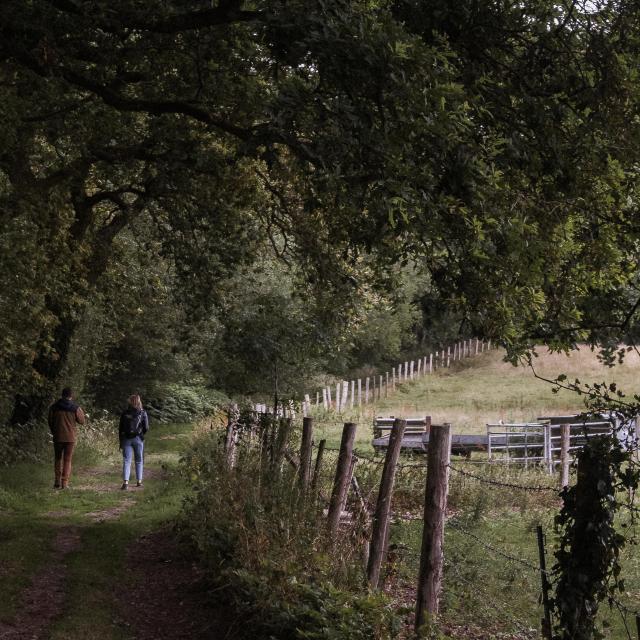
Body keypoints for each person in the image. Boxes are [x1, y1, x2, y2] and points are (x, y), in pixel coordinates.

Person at [48, 387, 86, 489]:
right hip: (70, 437)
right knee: (67, 460)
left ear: (62, 395)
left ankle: (57, 481)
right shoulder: (75, 408)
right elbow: (82, 421)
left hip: (58, 436)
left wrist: (54, 431)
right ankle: (64, 483)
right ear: (71, 396)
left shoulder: (54, 407)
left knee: (58, 459)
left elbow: (50, 421)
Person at [118, 394, 149, 490]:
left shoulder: (125, 413)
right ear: (139, 401)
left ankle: (125, 483)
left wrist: (121, 441)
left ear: (130, 402)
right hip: (138, 439)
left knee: (127, 460)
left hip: (127, 439)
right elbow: (146, 427)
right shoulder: (143, 413)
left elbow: (120, 428)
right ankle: (139, 481)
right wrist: (141, 434)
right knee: (139, 460)